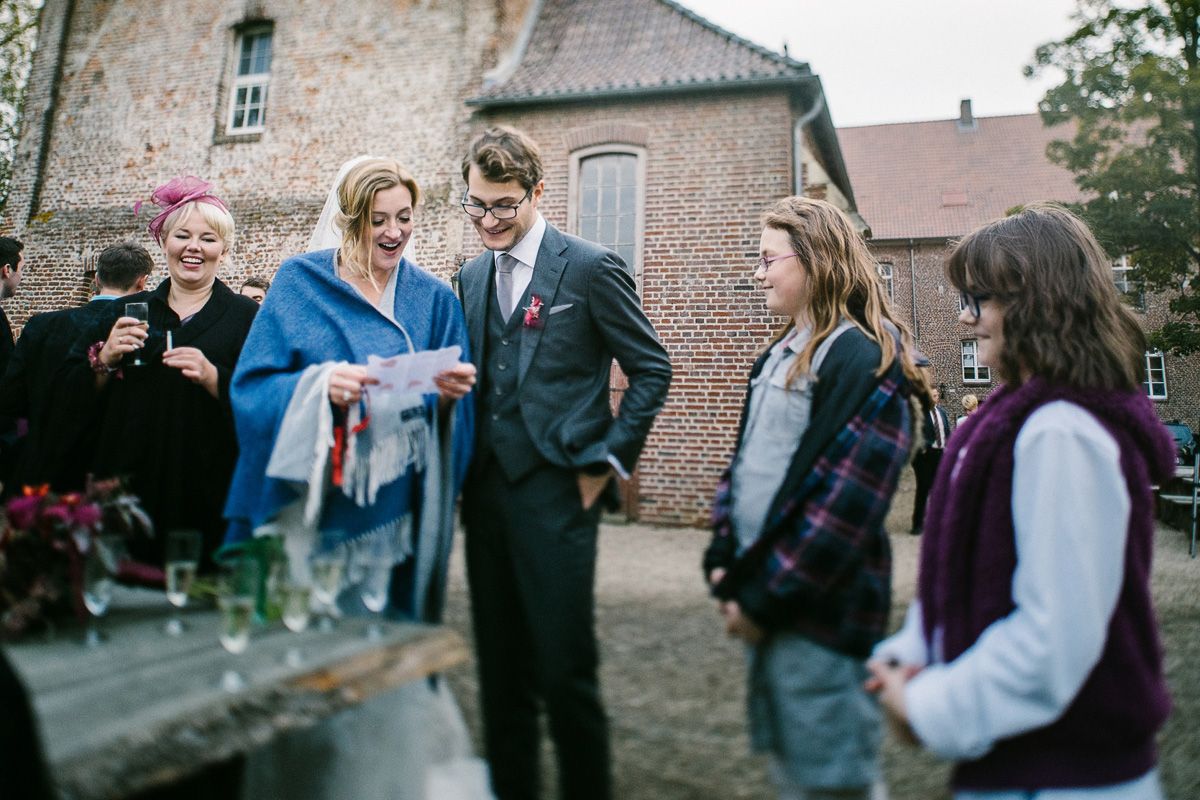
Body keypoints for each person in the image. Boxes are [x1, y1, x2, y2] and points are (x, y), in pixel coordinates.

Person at [868, 204, 1174, 799]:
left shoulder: (1064, 429)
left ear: (1035, 303)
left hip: (1068, 776)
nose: (964, 316)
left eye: (979, 299)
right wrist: (910, 654)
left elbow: (1054, 639)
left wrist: (929, 705)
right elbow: (973, 575)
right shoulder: (1022, 414)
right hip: (1020, 769)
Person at [224, 156, 477, 799]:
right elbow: (252, 389)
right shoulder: (298, 283)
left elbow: (456, 407)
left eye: (403, 218)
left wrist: (450, 399)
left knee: (378, 671)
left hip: (391, 522)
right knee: (305, 668)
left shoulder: (435, 300)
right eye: (377, 220)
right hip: (311, 516)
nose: (392, 232)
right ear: (348, 220)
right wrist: (316, 386)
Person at [455, 125, 671, 800]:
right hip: (485, 496)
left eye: (504, 205)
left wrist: (604, 463)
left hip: (558, 491)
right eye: (477, 205)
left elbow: (651, 369)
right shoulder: (466, 274)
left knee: (564, 671)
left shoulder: (589, 266)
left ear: (538, 192)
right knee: (500, 677)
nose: (489, 220)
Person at [703, 196, 920, 800]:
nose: (758, 271)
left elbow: (845, 512)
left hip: (821, 623)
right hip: (765, 608)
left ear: (817, 260)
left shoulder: (868, 361)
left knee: (832, 784)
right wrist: (723, 560)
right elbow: (743, 470)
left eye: (768, 258)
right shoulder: (776, 354)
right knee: (791, 777)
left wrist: (760, 603)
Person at [61, 177, 258, 570]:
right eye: (182, 235)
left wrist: (213, 377)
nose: (194, 247)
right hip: (129, 486)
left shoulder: (247, 317)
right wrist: (107, 357)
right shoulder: (124, 312)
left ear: (224, 249)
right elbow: (68, 398)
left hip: (206, 483)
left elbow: (265, 400)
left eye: (208, 238)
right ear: (164, 242)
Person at [0, 241, 153, 492]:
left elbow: (9, 399)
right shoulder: (145, 333)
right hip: (112, 475)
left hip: (42, 472)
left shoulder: (40, 326)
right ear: (142, 282)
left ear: (97, 279)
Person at [910, 386, 949, 535]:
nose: (936, 397)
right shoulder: (920, 413)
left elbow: (947, 432)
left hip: (940, 453)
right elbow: (914, 433)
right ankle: (917, 524)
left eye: (937, 395)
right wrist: (923, 448)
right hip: (924, 456)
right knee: (923, 487)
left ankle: (936, 522)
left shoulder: (942, 413)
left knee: (938, 489)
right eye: (933, 395)